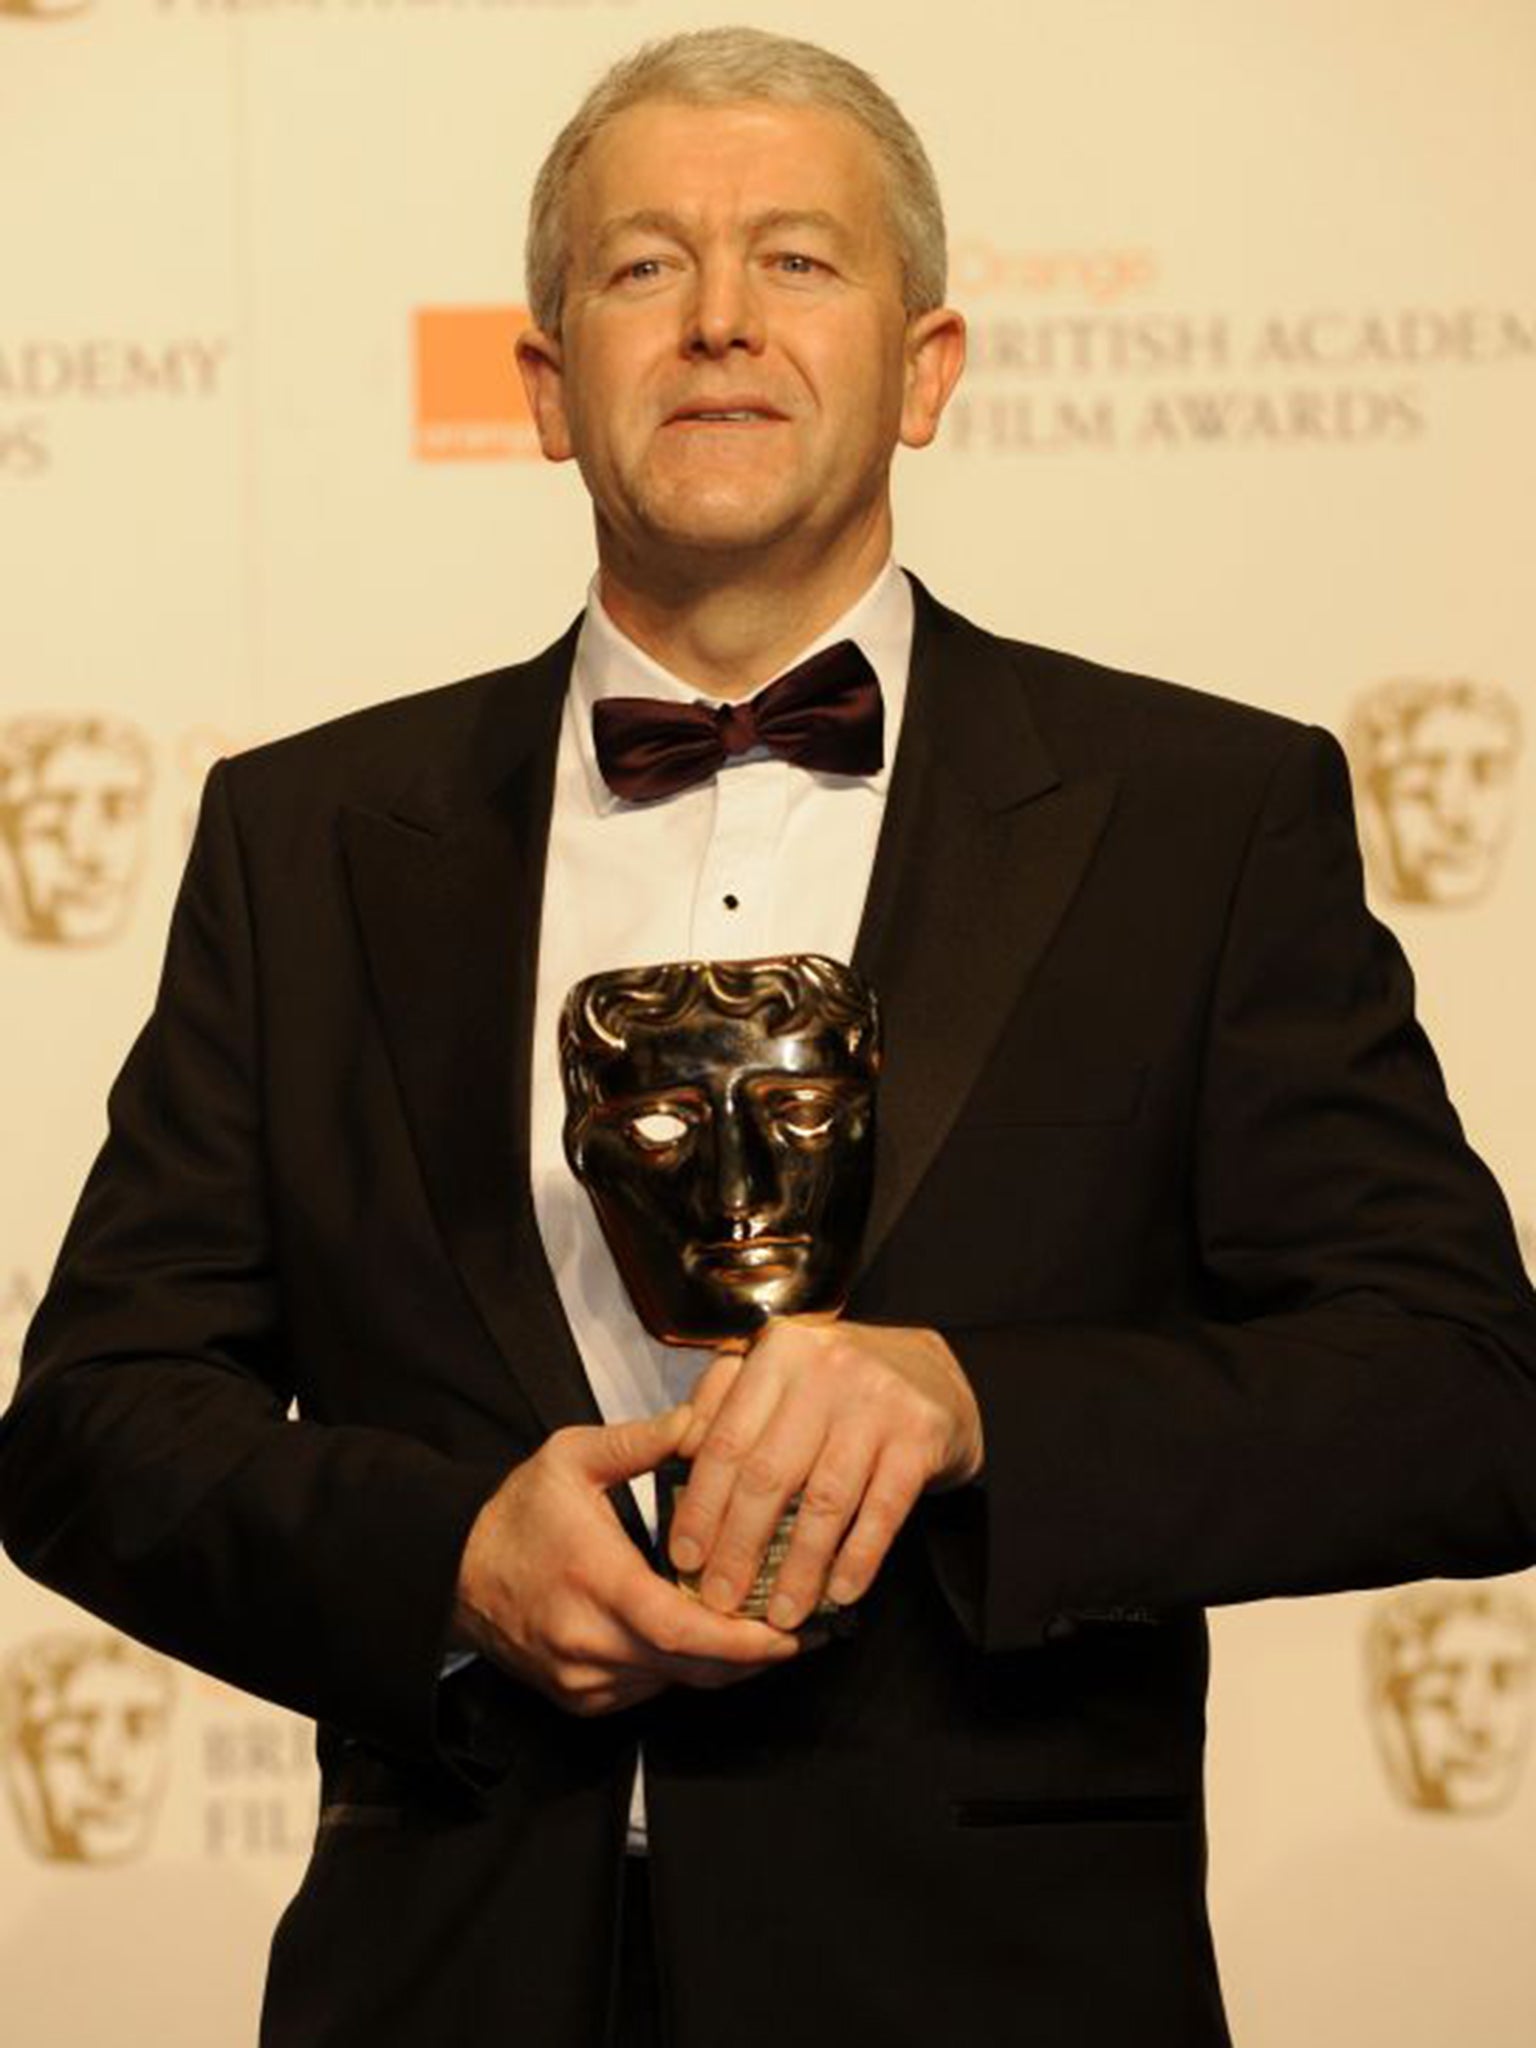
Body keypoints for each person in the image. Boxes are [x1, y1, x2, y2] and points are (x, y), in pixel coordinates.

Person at [2, 26, 1534, 2048]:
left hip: (1000, 1990)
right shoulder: (301, 837)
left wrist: (977, 1401)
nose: (720, 319)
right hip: (448, 1983)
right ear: (545, 388)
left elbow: (1460, 1394)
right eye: (646, 265)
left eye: (799, 260)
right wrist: (443, 1555)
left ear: (929, 365)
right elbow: (101, 1415)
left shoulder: (1201, 816)